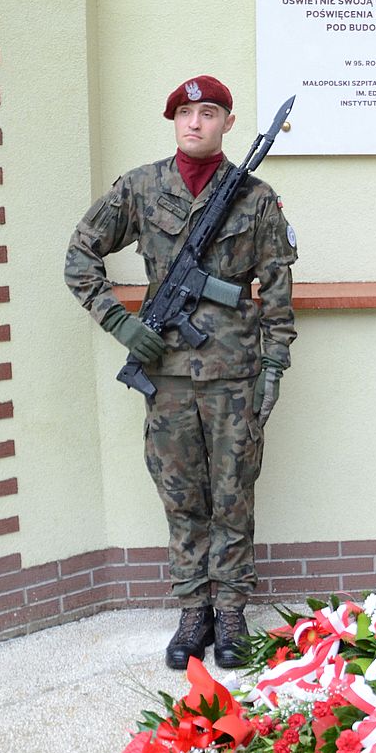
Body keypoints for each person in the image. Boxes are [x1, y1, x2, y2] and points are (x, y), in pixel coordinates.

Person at [65, 75, 298, 670]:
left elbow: (276, 288)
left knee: (233, 496)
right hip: (165, 375)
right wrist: (120, 323)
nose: (195, 122)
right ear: (173, 121)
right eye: (185, 113)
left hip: (234, 375)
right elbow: (79, 257)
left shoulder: (255, 197)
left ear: (227, 122)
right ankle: (193, 610)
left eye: (209, 112)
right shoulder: (141, 189)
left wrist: (273, 367)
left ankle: (232, 612)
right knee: (181, 497)